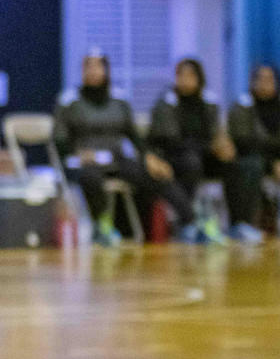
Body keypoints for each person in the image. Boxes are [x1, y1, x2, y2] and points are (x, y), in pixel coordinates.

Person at [53, 53, 196, 246]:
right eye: (89, 67)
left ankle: (190, 223)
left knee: (153, 173)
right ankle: (101, 227)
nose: (94, 71)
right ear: (82, 71)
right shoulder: (69, 101)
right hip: (84, 162)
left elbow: (134, 136)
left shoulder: (119, 100)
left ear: (106, 70)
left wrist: (149, 157)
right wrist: (76, 153)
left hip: (115, 158)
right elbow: (59, 139)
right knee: (91, 178)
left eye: (98, 66)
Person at [147, 58, 234, 243]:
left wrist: (223, 147)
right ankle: (190, 221)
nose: (185, 79)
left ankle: (238, 224)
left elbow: (214, 136)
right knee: (190, 162)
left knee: (237, 164)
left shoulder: (209, 103)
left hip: (203, 155)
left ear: (199, 78)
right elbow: (169, 140)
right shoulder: (166, 102)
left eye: (190, 75)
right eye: (181, 75)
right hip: (173, 156)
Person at [226, 63, 280, 240]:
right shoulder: (242, 105)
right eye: (261, 79)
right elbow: (244, 141)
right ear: (252, 82)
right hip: (250, 160)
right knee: (252, 164)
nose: (265, 83)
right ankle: (244, 224)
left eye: (269, 79)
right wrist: (273, 162)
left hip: (274, 160)